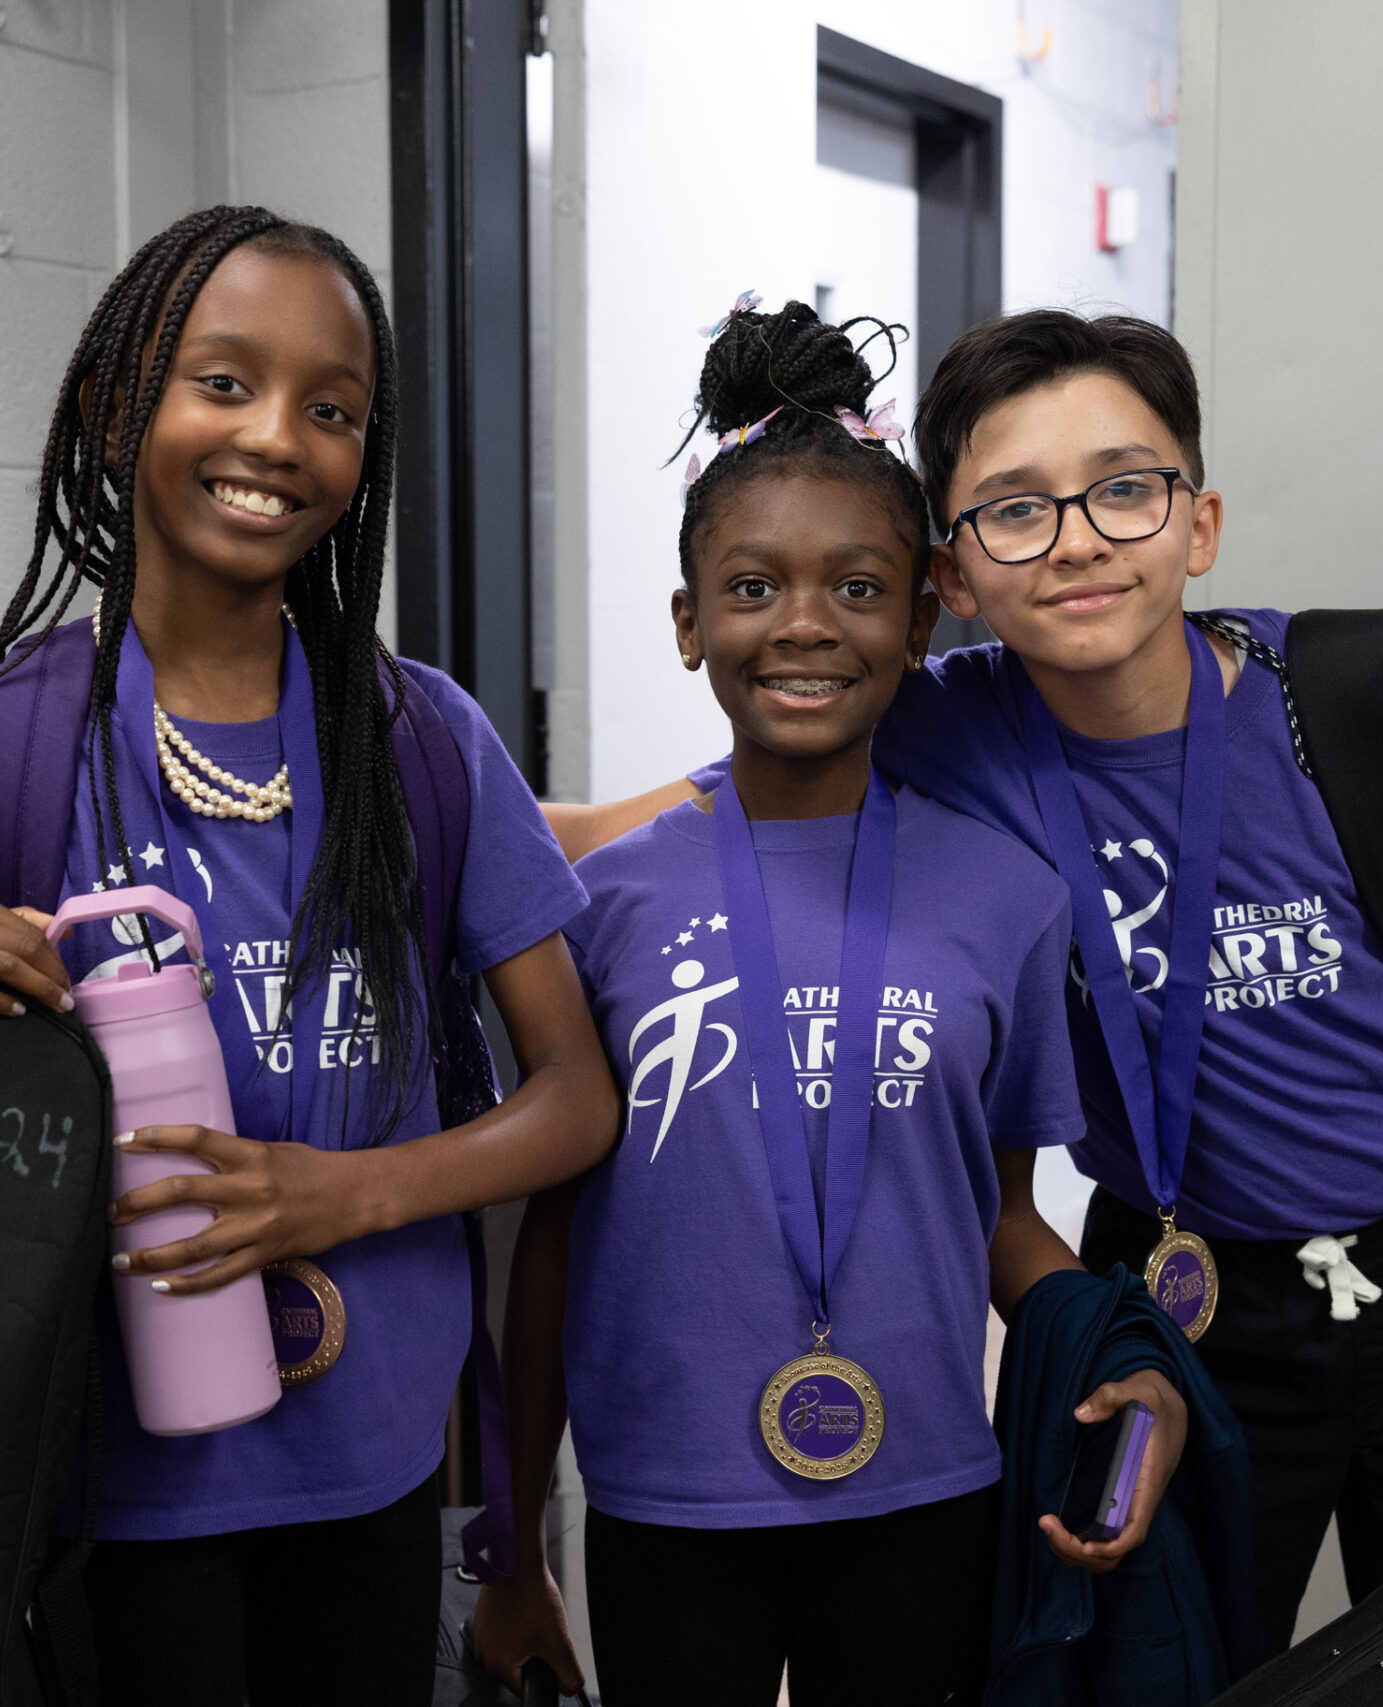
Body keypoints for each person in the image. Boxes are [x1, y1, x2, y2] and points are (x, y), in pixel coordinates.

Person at [554, 308, 1383, 1661]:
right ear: (954, 578)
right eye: (1015, 509)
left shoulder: (1351, 692)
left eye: (1124, 490)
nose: (1078, 537)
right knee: (1169, 1664)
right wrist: (465, 826)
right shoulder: (941, 723)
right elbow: (718, 801)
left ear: (1198, 524)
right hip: (1185, 1289)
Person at [0, 206, 619, 1707]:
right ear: (112, 404)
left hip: (375, 1465)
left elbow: (577, 1096)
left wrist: (347, 1192)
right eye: (222, 382)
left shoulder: (427, 745)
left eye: (331, 408)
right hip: (92, 1485)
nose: (277, 436)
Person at [474, 300, 1175, 1706]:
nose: (804, 625)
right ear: (689, 622)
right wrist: (508, 1549)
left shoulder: (1004, 899)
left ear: (921, 617)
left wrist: (1131, 1360)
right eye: (753, 588)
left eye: (857, 588)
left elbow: (993, 1213)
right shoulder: (606, 904)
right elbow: (550, 1237)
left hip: (922, 1488)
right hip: (666, 1493)